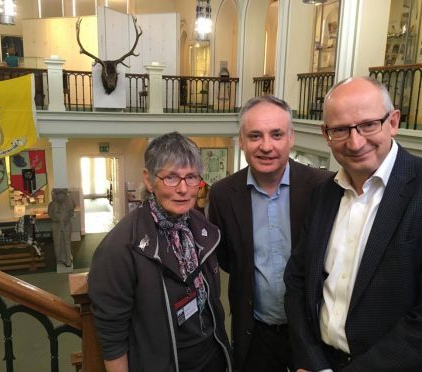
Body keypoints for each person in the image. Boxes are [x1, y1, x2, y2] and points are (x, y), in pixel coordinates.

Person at [284, 76, 422, 371]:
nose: (355, 142)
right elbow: (298, 280)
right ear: (326, 134)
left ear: (393, 122)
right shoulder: (323, 193)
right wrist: (313, 361)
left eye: (369, 125)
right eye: (341, 129)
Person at [88, 132, 232, 372]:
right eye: (171, 178)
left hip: (211, 357)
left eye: (192, 177)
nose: (184, 189)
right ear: (149, 179)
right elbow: (112, 336)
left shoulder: (204, 228)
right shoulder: (120, 246)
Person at [208, 95, 331, 371]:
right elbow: (227, 258)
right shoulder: (223, 194)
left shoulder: (323, 187)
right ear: (242, 141)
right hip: (256, 333)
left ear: (291, 138)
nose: (266, 146)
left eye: (276, 134)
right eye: (255, 136)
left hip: (315, 331)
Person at [48, 188, 75, 267]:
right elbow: (51, 215)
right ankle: (60, 257)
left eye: (62, 195)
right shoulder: (52, 204)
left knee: (67, 242)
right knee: (58, 242)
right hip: (57, 225)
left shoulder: (69, 203)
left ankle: (68, 259)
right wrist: (59, 219)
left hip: (66, 224)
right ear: (56, 196)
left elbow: (71, 212)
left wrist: (64, 219)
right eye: (59, 195)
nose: (61, 197)